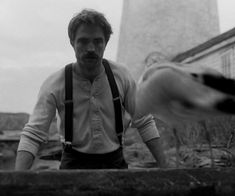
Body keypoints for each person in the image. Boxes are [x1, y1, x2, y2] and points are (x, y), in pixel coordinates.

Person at [15, 9, 167, 170]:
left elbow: (144, 122)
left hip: (114, 163)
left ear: (106, 43)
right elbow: (33, 134)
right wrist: (17, 181)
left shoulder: (121, 76)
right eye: (83, 41)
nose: (91, 48)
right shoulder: (55, 83)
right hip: (72, 164)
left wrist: (166, 168)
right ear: (72, 42)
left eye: (97, 41)